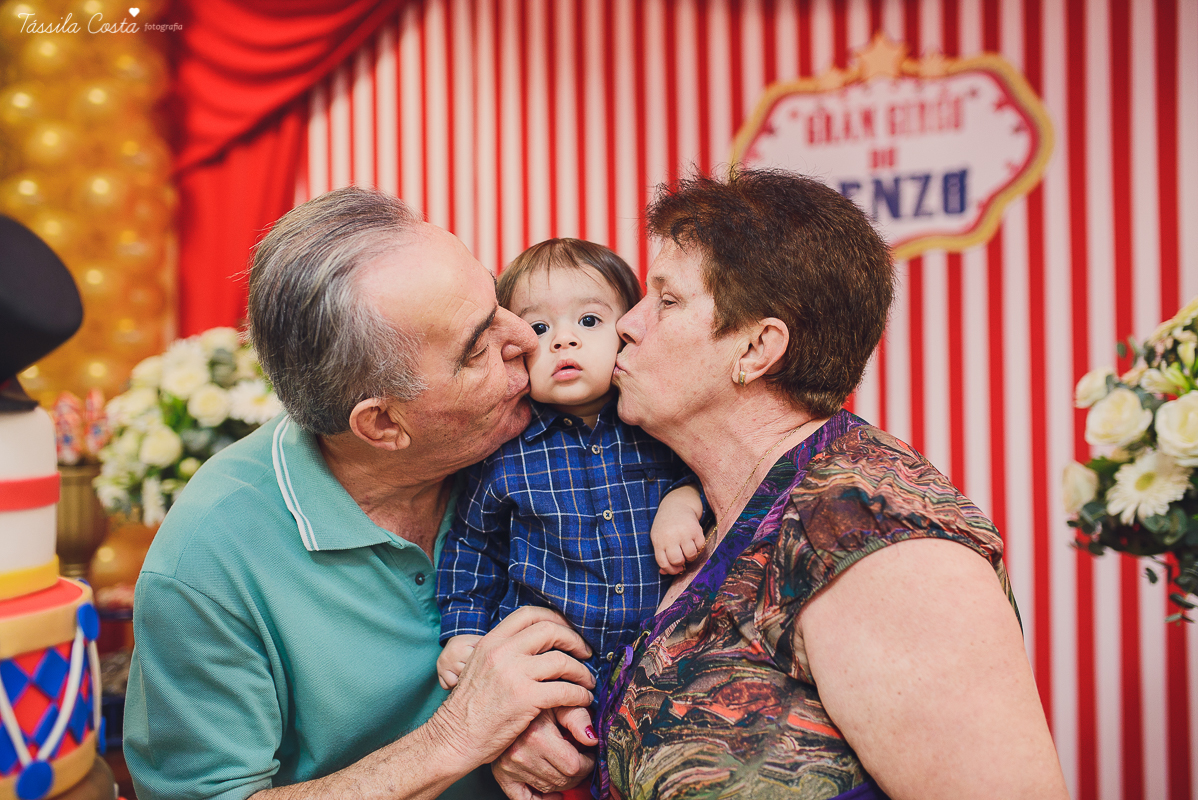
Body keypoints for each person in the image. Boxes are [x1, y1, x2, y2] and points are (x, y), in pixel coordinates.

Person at [582, 169, 1067, 799]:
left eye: (666, 300)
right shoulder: (697, 499)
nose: (627, 324)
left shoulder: (872, 532)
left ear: (757, 348)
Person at [122, 187, 596, 800]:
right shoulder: (207, 559)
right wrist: (455, 740)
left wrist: (536, 724)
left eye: (494, 296)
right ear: (383, 425)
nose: (525, 338)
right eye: (477, 347)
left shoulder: (545, 432)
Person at [434, 240, 705, 743]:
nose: (564, 341)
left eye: (588, 322)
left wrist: (682, 502)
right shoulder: (503, 451)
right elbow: (473, 548)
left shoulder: (659, 425)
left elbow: (714, 477)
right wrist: (464, 632)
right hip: (551, 666)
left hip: (661, 662)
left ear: (628, 332)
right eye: (539, 329)